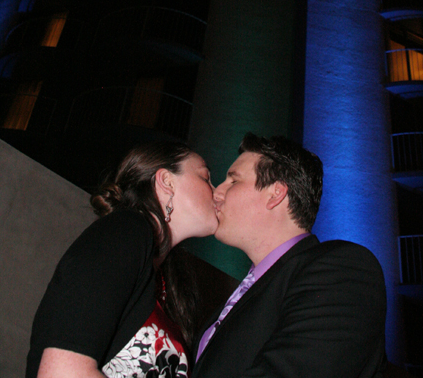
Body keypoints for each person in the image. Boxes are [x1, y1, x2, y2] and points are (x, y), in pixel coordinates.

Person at [192, 132, 387, 378]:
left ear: (276, 194)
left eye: (233, 181)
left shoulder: (343, 270)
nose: (217, 192)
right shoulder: (243, 295)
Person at [26, 140, 218, 378]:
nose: (217, 191)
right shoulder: (126, 230)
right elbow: (61, 372)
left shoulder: (164, 280)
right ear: (167, 182)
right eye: (205, 177)